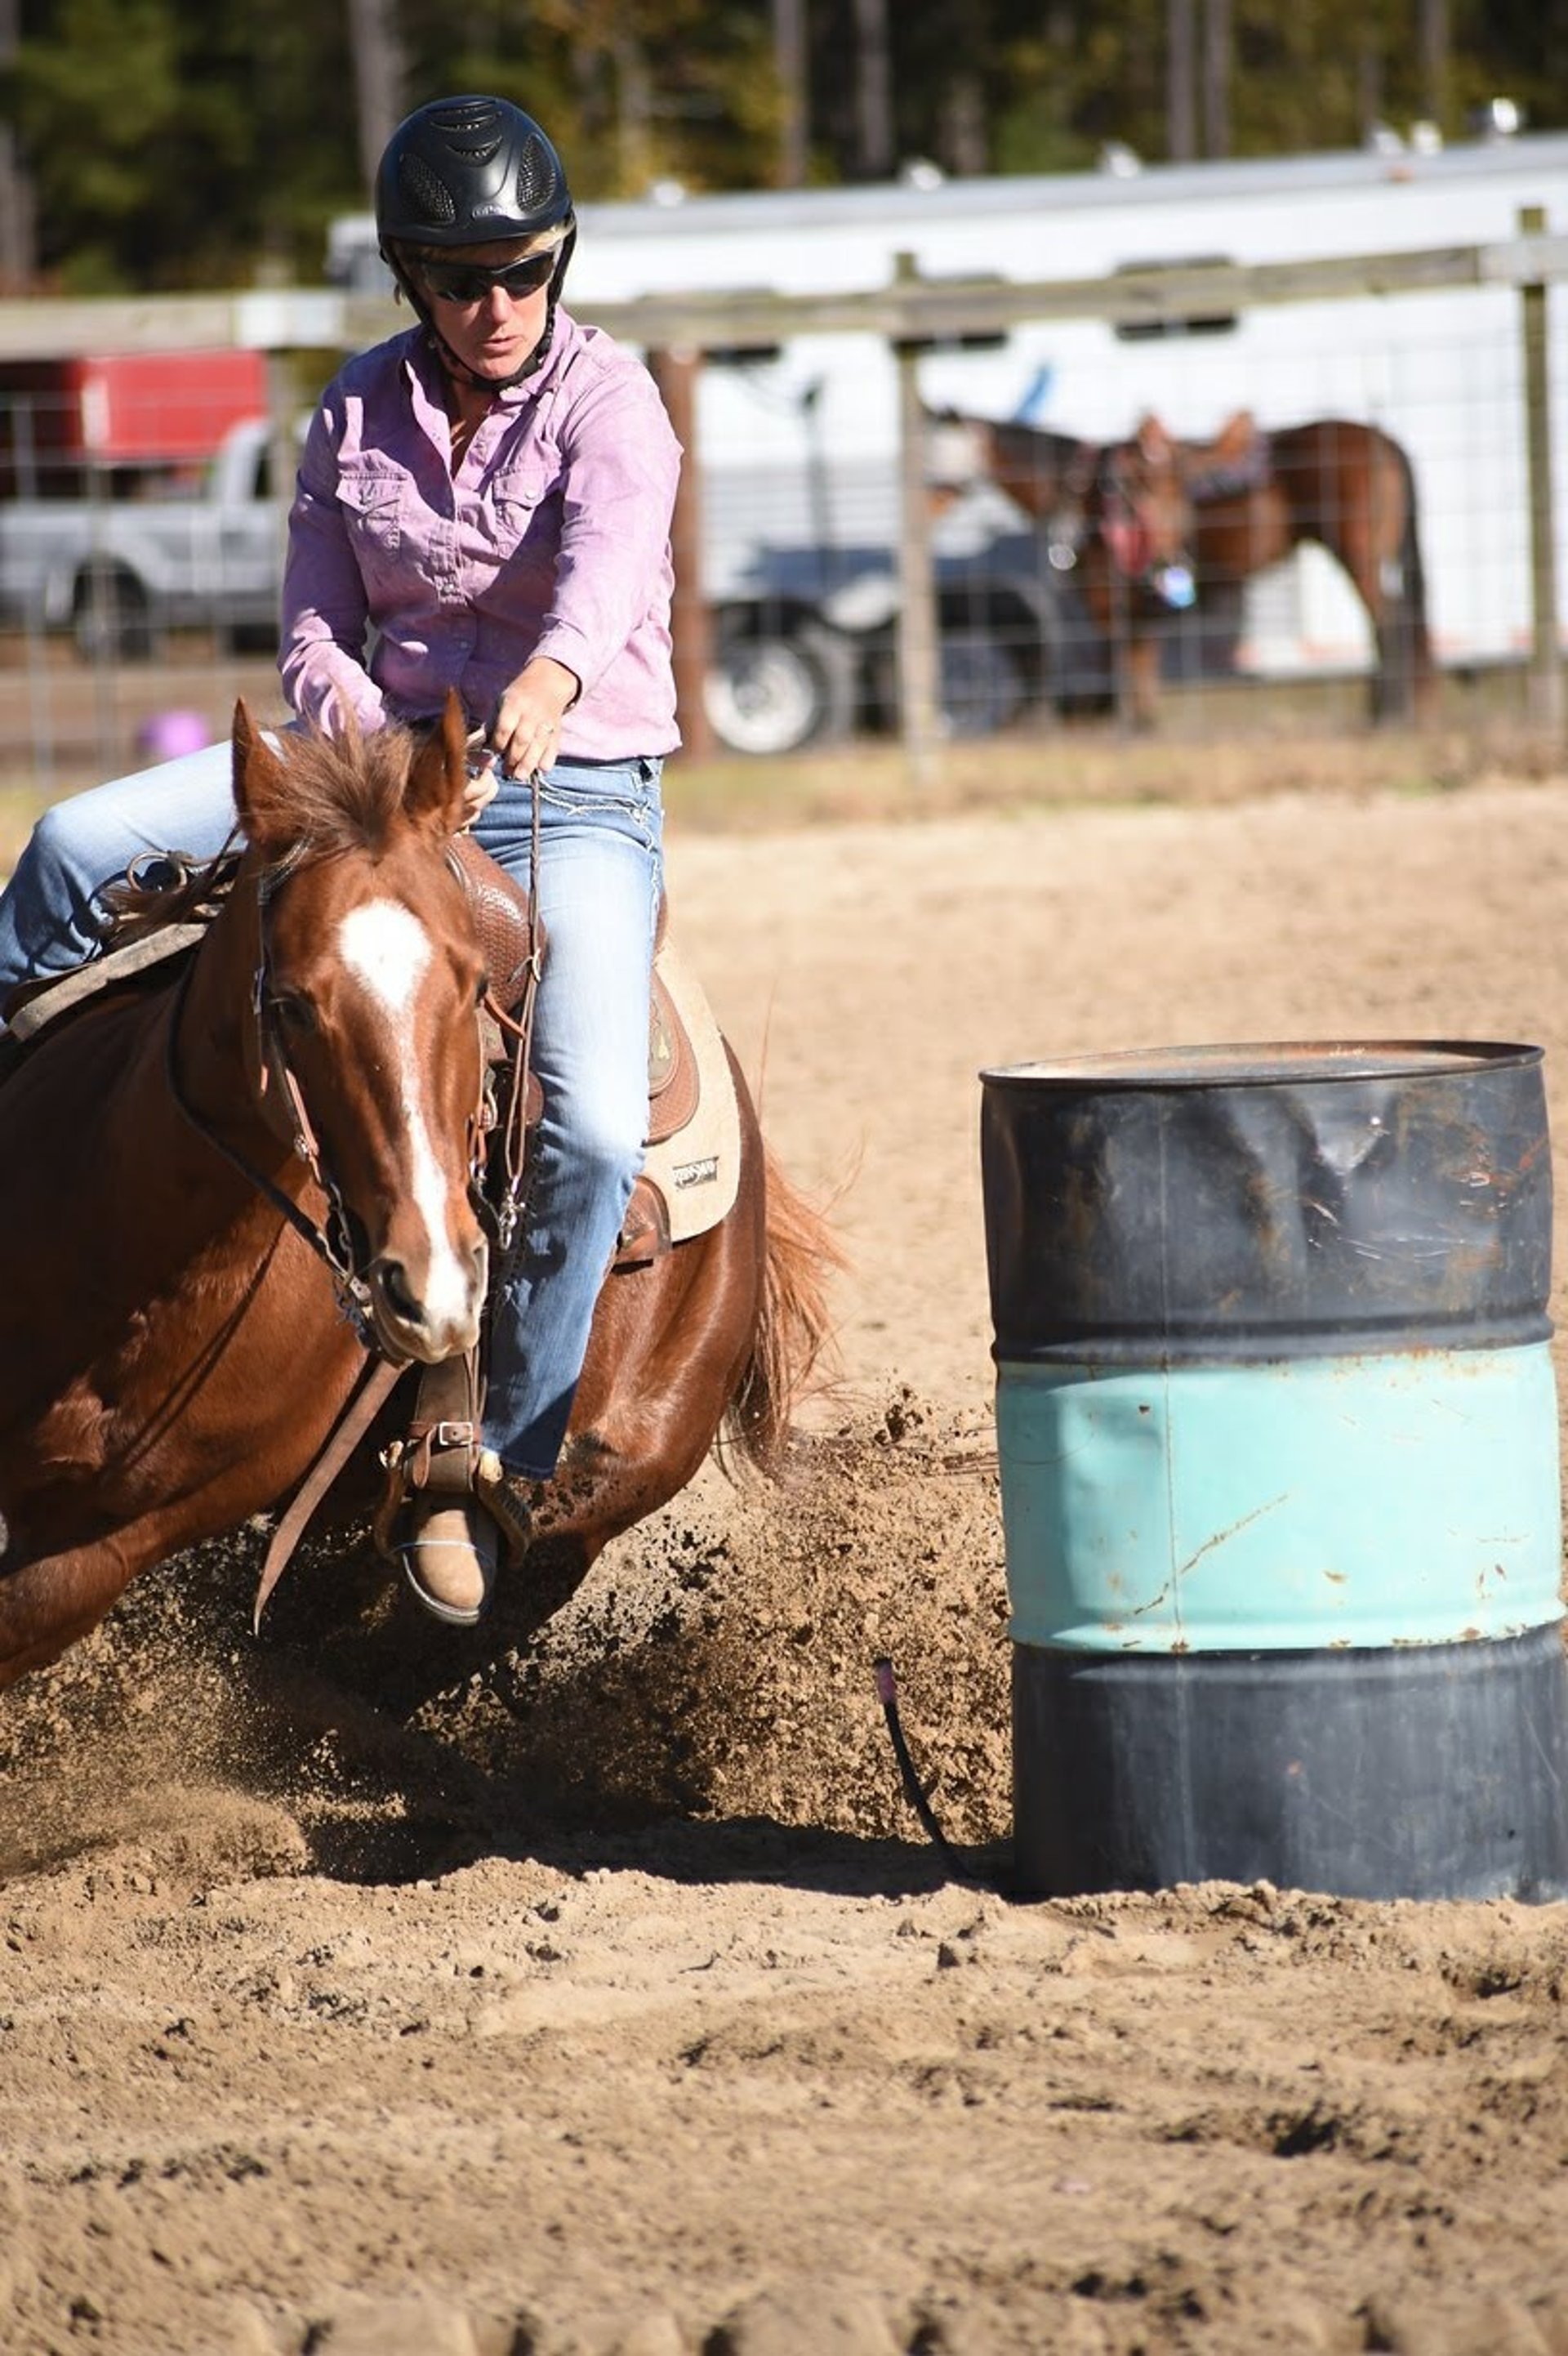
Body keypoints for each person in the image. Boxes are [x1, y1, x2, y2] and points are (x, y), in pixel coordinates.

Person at [0, 93, 681, 1626]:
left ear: (557, 263)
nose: (495, 303)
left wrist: (546, 688)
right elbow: (311, 623)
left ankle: (494, 1454)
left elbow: (606, 583)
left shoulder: (614, 406)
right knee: (69, 846)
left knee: (582, 1124)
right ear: (410, 284)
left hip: (562, 790)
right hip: (367, 777)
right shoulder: (352, 412)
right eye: (459, 277)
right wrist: (375, 745)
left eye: (520, 270)